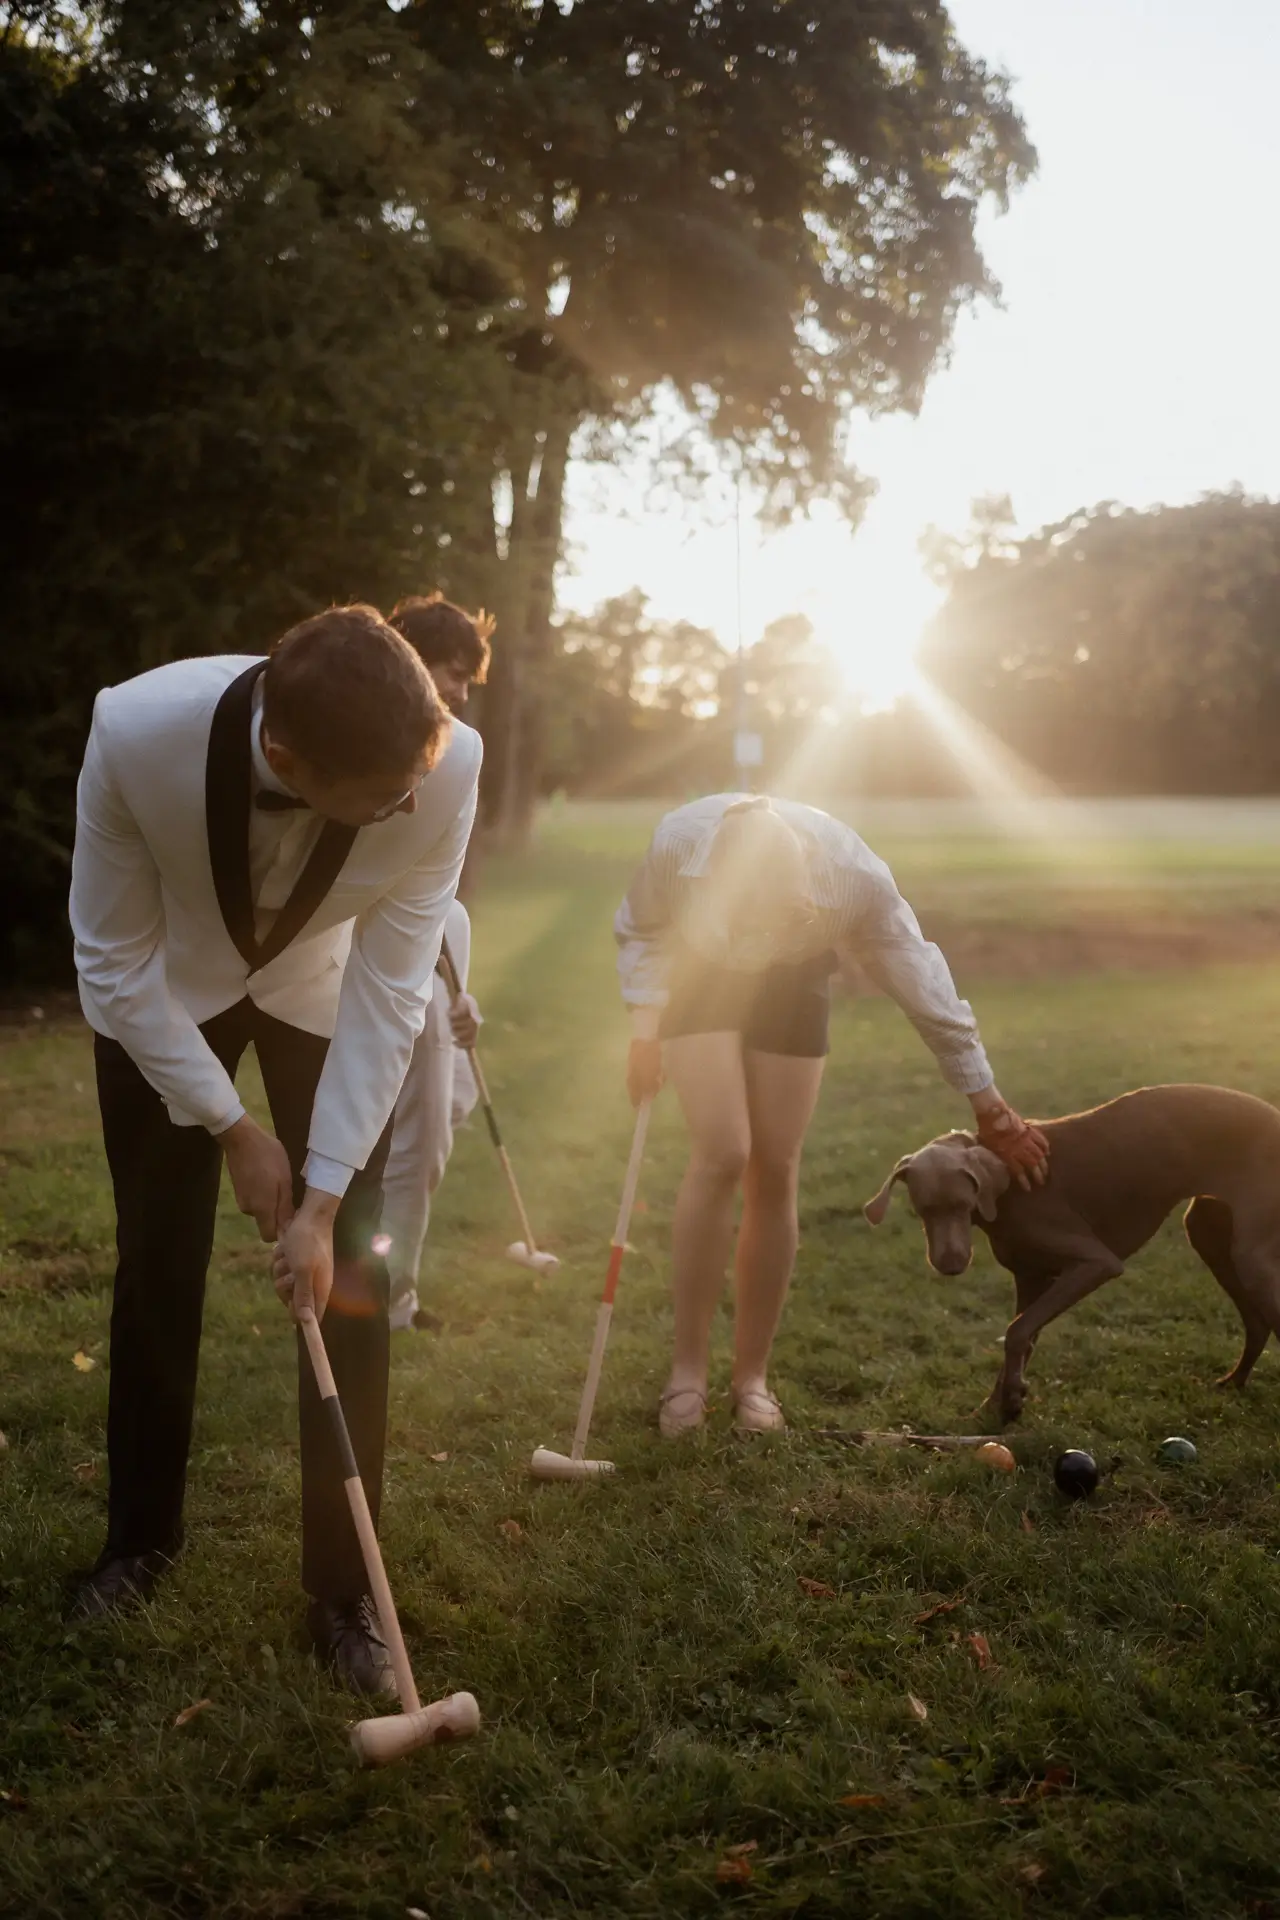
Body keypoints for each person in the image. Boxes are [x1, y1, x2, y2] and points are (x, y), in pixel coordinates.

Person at [68, 605, 482, 1696]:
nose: (408, 808)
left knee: (350, 1263)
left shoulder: (442, 767)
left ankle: (344, 1590)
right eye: (383, 799)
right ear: (288, 761)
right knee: (157, 1262)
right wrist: (233, 1131)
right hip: (163, 990)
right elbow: (110, 960)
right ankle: (139, 1540)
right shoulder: (133, 733)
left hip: (319, 991)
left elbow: (394, 988)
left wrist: (320, 1192)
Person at [615, 793, 1048, 1438]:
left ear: (808, 883)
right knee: (725, 1149)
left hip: (794, 981)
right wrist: (646, 1026)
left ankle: (751, 1379)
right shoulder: (679, 846)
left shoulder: (852, 878)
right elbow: (644, 927)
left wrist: (989, 1107)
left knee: (776, 1162)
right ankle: (687, 1372)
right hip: (701, 973)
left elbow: (918, 978)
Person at [378, 594, 494, 1329]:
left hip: (439, 924)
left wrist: (462, 997)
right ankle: (383, 1296)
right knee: (407, 1137)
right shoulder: (370, 737)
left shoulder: (457, 749)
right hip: (376, 940)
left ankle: (392, 1286)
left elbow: (443, 876)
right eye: (453, 673)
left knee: (443, 1114)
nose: (458, 692)